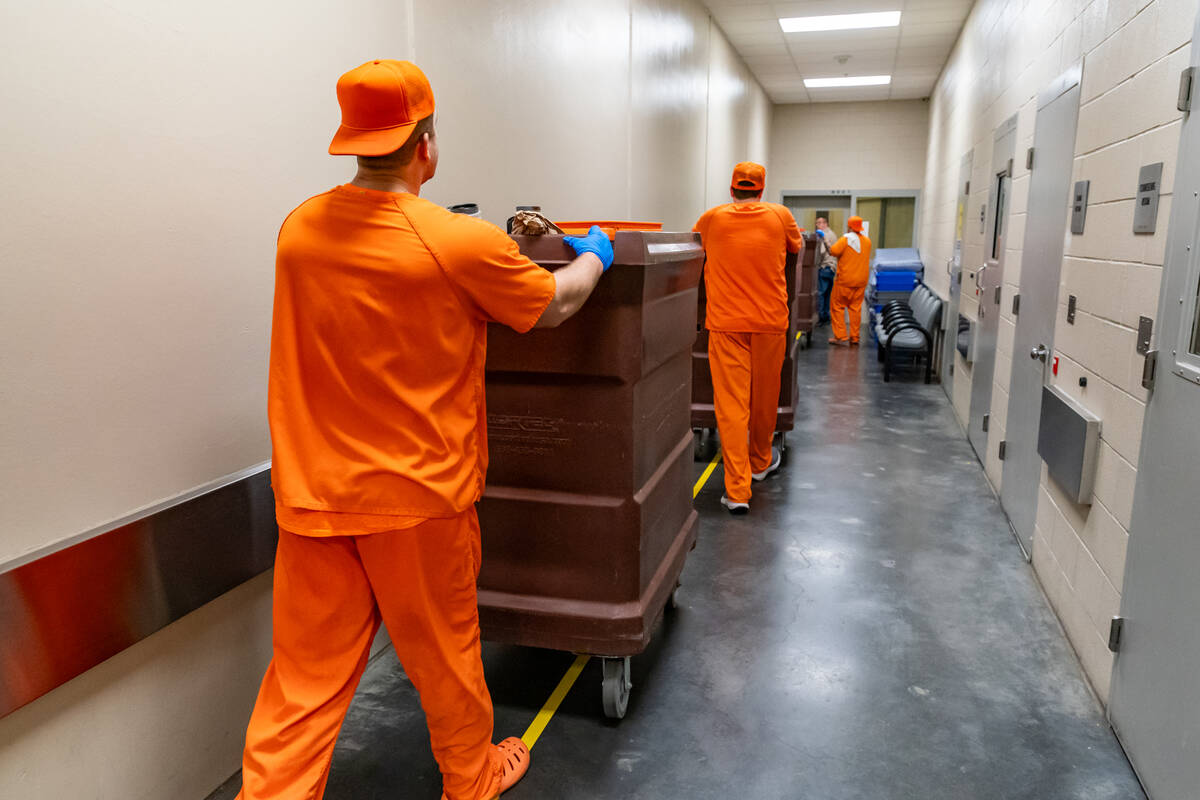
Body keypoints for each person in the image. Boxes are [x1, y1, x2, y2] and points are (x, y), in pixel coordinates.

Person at [236, 59, 612, 800]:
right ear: (426, 145)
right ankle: (471, 779)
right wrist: (595, 254)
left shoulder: (298, 230)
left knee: (301, 685)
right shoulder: (456, 241)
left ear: (352, 140)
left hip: (313, 498)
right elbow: (555, 303)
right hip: (418, 503)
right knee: (446, 661)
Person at [693, 162, 802, 515]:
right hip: (770, 323)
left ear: (731, 189)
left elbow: (693, 250)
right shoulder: (780, 216)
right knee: (765, 398)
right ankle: (760, 463)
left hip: (726, 324)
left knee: (731, 406)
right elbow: (796, 248)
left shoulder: (711, 219)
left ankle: (737, 491)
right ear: (761, 189)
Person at [828, 215, 873, 346]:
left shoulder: (846, 240)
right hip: (861, 281)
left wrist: (827, 243)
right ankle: (855, 337)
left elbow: (833, 251)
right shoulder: (867, 241)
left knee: (837, 307)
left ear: (849, 227)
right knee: (855, 309)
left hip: (845, 280)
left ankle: (840, 336)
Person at [814, 216, 837, 324]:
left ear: (824, 223)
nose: (818, 225)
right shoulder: (833, 234)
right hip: (832, 268)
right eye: (817, 223)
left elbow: (822, 252)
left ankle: (821, 317)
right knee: (827, 294)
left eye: (819, 223)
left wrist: (815, 263)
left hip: (825, 267)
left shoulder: (824, 235)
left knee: (821, 294)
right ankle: (827, 316)